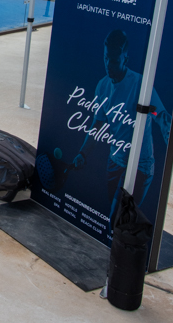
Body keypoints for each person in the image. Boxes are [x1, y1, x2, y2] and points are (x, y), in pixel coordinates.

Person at [72, 29, 170, 220]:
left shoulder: (140, 84)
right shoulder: (102, 86)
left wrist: (166, 125)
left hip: (139, 165)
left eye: (115, 61)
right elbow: (97, 125)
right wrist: (83, 153)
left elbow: (158, 113)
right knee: (117, 216)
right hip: (114, 161)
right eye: (106, 58)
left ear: (126, 58)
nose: (109, 65)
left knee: (116, 217)